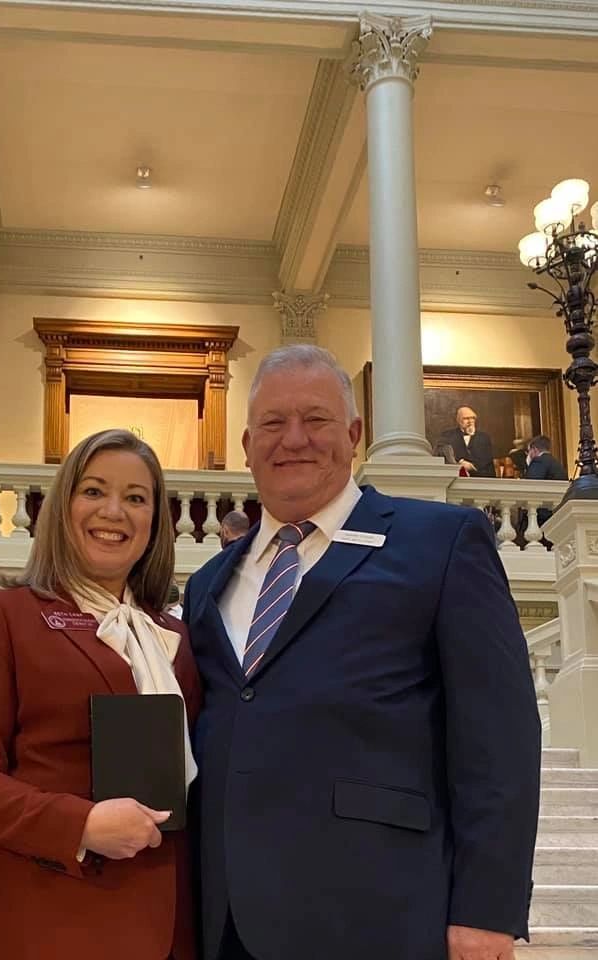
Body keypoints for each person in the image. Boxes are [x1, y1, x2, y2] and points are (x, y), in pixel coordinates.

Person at [183, 345, 540, 960]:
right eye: (273, 423)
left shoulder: (441, 543)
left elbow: (499, 740)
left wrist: (487, 910)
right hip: (231, 924)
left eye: (316, 419)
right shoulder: (207, 583)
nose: (293, 438)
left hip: (383, 916)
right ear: (246, 444)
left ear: (353, 434)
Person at [0, 428, 201, 960]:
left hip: (172, 926)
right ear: (62, 507)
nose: (114, 512)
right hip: (55, 921)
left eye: (135, 498)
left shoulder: (175, 636)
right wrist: (78, 824)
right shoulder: (1, 616)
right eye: (94, 491)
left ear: (155, 521)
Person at [524, 434, 569, 533]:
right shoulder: (557, 463)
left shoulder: (538, 461)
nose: (528, 455)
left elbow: (529, 487)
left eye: (529, 451)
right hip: (557, 514)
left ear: (534, 449)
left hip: (541, 517)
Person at [438, 405, 496, 477]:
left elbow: (487, 459)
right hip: (456, 477)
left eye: (473, 418)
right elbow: (443, 453)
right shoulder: (448, 436)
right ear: (458, 420)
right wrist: (460, 462)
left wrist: (472, 466)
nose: (470, 421)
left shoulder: (484, 437)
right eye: (466, 418)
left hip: (480, 478)